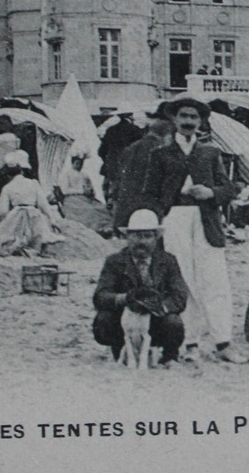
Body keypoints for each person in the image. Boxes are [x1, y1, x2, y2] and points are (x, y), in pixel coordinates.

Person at [142, 98, 240, 363]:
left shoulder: (210, 153)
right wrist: (158, 222)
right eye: (183, 116)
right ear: (174, 119)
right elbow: (149, 194)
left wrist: (211, 192)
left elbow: (230, 188)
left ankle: (223, 343)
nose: (188, 122)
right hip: (175, 219)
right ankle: (189, 343)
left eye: (193, 118)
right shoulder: (160, 155)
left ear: (200, 122)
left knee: (214, 280)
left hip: (206, 219)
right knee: (182, 280)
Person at [91, 209, 188, 366]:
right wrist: (125, 298)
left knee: (174, 322)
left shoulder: (168, 261)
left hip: (156, 320)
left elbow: (180, 296)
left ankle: (169, 355)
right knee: (103, 319)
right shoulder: (115, 261)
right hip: (126, 320)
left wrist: (158, 307)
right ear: (127, 237)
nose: (140, 241)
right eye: (135, 235)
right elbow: (100, 295)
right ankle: (119, 348)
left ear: (156, 238)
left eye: (147, 236)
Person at [0, 161, 62, 256]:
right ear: (21, 172)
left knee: (9, 237)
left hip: (16, 214)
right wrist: (52, 220)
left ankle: (20, 249)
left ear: (8, 176)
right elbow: (43, 204)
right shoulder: (33, 183)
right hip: (33, 214)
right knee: (36, 235)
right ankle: (32, 251)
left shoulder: (8, 187)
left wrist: (1, 223)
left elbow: (3, 211)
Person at [112, 116, 172, 228]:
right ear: (166, 135)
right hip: (148, 207)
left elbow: (119, 175)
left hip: (125, 204)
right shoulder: (160, 151)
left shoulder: (131, 148)